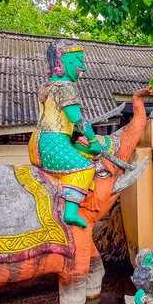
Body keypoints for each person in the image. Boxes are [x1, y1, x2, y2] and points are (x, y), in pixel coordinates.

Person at [29, 39, 111, 228]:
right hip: (53, 143)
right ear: (64, 62)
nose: (83, 67)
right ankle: (71, 212)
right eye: (78, 61)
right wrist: (92, 140)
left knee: (83, 151)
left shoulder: (45, 87)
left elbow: (61, 119)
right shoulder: (65, 87)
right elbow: (77, 119)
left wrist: (77, 138)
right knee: (86, 168)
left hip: (38, 140)